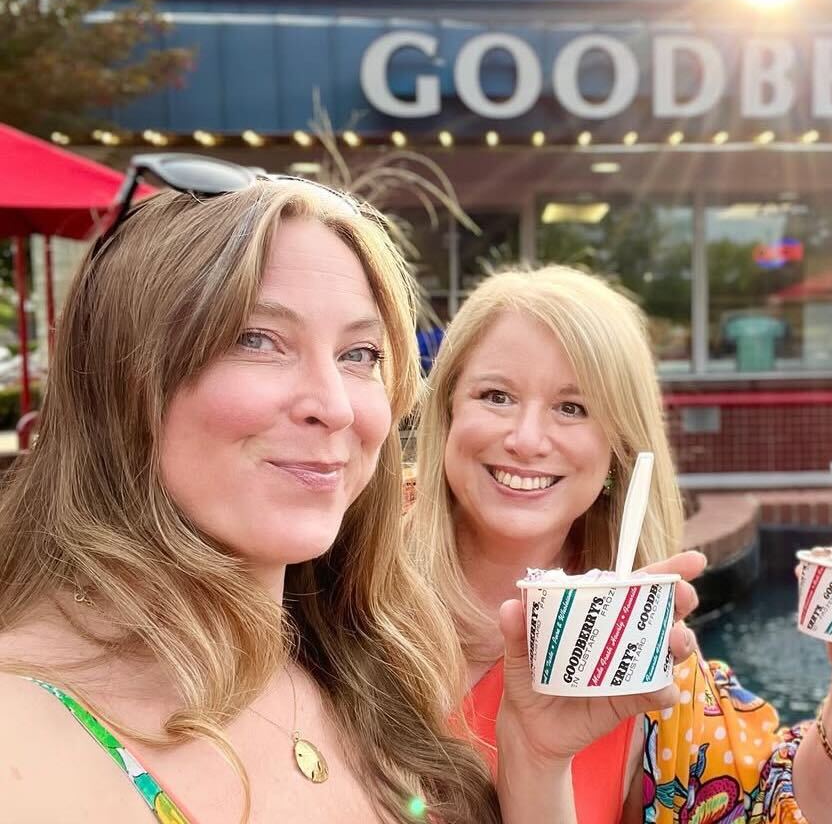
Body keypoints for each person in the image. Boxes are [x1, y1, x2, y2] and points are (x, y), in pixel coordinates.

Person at [0, 156, 540, 823]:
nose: (334, 405)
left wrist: (537, 758)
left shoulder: (367, 663)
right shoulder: (23, 736)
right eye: (257, 340)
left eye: (359, 355)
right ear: (121, 381)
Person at [409, 265, 832, 824]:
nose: (527, 439)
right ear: (448, 410)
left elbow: (772, 809)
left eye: (573, 408)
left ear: (617, 450)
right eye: (496, 396)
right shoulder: (340, 580)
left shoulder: (640, 658)